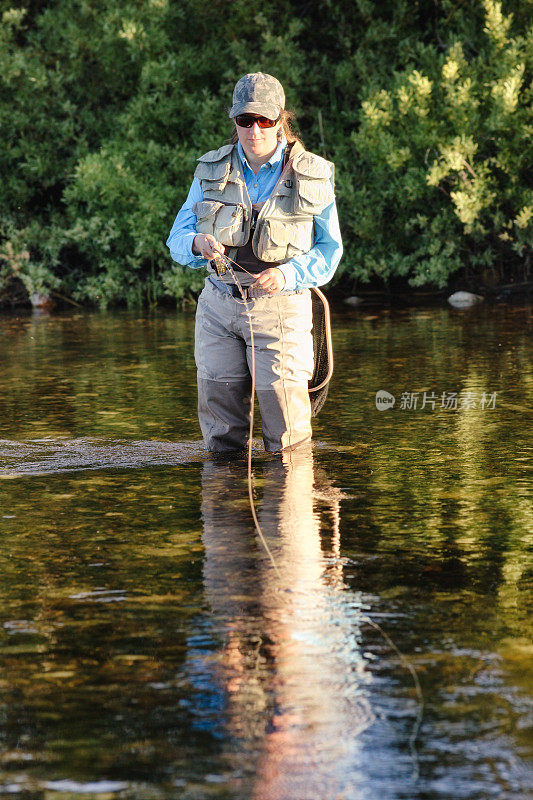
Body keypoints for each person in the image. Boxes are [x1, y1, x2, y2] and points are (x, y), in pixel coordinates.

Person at [166, 72, 342, 453]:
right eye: (246, 121)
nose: (255, 130)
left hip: (281, 309)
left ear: (281, 120)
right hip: (217, 308)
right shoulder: (211, 169)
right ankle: (224, 507)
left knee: (287, 440)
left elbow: (330, 250)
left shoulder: (312, 172)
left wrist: (287, 274)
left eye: (265, 120)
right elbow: (176, 239)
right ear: (234, 122)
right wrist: (197, 242)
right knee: (221, 440)